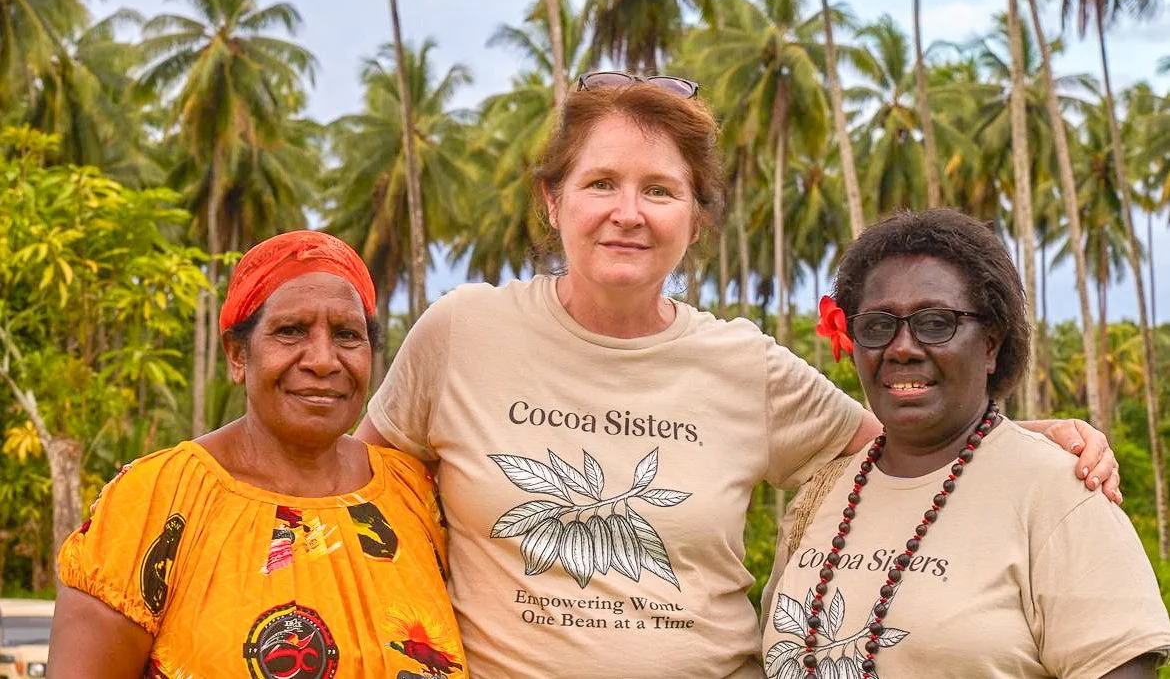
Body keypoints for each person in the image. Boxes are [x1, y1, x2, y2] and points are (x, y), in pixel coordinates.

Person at [355, 71, 1121, 678]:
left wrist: (1030, 438)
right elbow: (354, 487)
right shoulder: (462, 332)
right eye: (600, 184)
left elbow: (900, 441)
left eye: (659, 190)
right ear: (552, 200)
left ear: (696, 219)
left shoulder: (743, 363)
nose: (629, 212)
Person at [761, 209, 1170, 678]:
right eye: (878, 325)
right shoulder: (821, 494)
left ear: (991, 344)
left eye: (936, 323)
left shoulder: (1062, 493)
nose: (902, 347)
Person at [49, 231, 466, 678]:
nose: (323, 360)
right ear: (237, 355)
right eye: (290, 331)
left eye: (347, 335)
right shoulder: (156, 500)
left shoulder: (411, 495)